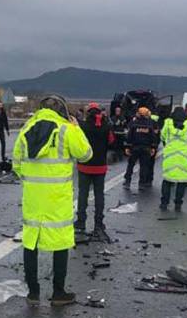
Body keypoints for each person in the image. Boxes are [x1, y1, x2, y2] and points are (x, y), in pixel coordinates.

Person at [13, 95, 91, 305]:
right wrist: (76, 128)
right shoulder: (66, 129)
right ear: (61, 110)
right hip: (58, 198)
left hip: (33, 197)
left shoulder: (26, 129)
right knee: (60, 243)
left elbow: (16, 164)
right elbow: (85, 154)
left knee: (30, 243)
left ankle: (33, 293)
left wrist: (31, 181)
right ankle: (58, 293)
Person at [76, 102, 112, 239]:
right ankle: (98, 223)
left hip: (84, 165)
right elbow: (112, 141)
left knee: (83, 195)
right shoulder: (107, 126)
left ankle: (81, 222)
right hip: (100, 166)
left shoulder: (82, 126)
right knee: (99, 195)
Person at [160, 106, 187, 210]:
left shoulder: (167, 123)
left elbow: (162, 136)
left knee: (167, 181)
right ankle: (178, 204)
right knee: (182, 182)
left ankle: (164, 203)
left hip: (170, 157)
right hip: (184, 158)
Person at [123, 106, 158, 190]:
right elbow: (153, 137)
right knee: (144, 166)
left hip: (134, 148)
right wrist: (153, 147)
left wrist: (127, 147)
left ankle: (127, 181)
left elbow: (129, 136)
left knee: (131, 165)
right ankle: (141, 184)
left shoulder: (134, 123)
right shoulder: (150, 124)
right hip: (146, 148)